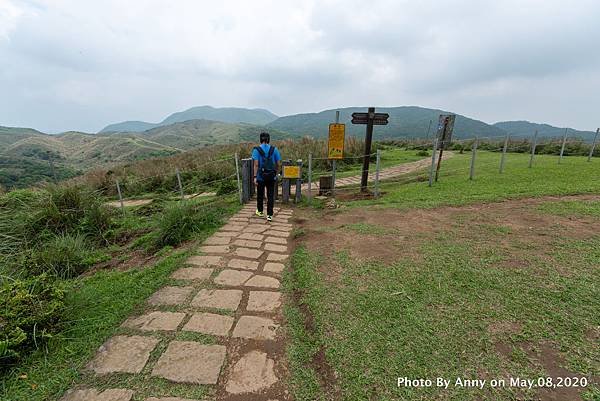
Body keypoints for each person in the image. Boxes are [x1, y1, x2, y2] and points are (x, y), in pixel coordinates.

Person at [252, 132, 281, 221]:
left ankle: (260, 211)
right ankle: (269, 215)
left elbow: (256, 164)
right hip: (271, 176)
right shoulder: (274, 149)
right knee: (270, 195)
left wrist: (255, 176)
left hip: (261, 176)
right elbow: (278, 163)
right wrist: (276, 173)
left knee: (260, 194)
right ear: (268, 139)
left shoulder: (256, 150)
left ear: (260, 139)